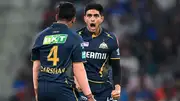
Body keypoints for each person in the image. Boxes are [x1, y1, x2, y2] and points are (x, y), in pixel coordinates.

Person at [31, 2, 95, 101]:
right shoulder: (74, 38)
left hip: (43, 89)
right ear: (74, 19)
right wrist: (89, 96)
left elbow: (36, 67)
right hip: (62, 89)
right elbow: (79, 69)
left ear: (57, 17)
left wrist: (36, 91)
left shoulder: (41, 36)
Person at [76, 3, 121, 101]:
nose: (92, 19)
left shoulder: (111, 39)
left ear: (102, 19)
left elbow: (116, 67)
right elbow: (68, 63)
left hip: (104, 90)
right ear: (85, 18)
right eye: (89, 15)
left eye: (96, 16)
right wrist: (75, 80)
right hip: (82, 89)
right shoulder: (76, 37)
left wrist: (117, 88)